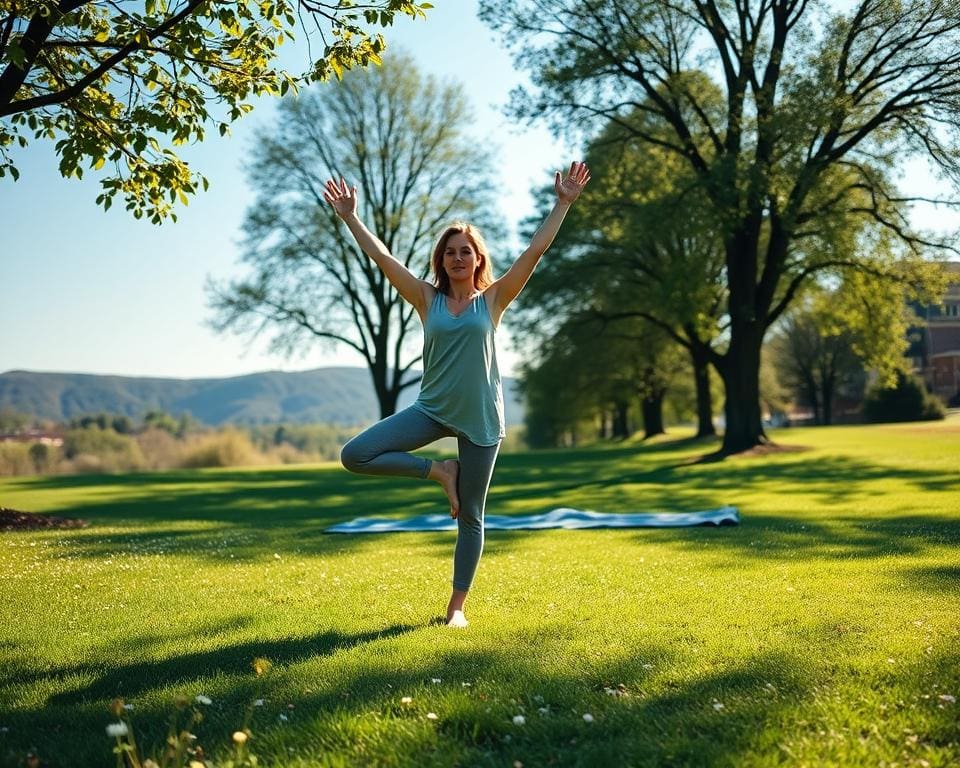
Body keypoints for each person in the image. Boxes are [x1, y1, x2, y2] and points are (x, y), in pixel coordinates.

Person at [325, 162, 591, 627]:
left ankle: (455, 611)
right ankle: (440, 471)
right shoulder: (426, 299)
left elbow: (536, 249)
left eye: (465, 252)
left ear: (478, 259)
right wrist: (350, 218)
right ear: (441, 260)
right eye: (450, 252)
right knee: (356, 454)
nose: (457, 258)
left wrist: (562, 204)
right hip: (432, 410)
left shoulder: (494, 300)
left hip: (482, 420)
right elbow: (384, 259)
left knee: (472, 516)